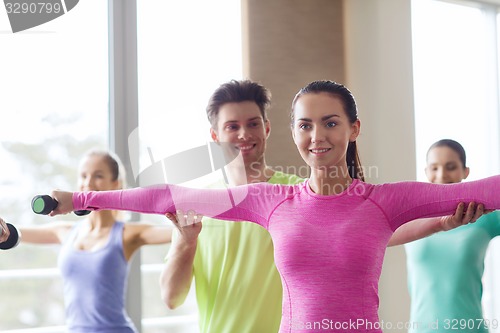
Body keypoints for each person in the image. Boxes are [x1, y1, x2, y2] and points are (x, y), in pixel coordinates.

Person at [47, 80, 500, 333]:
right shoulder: (270, 200)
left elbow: (486, 189)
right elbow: (167, 195)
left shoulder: (385, 202)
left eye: (330, 123)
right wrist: (82, 200)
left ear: (354, 128)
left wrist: (441, 222)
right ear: (291, 131)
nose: (316, 136)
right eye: (305, 125)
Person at [160, 79, 303, 333]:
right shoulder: (194, 205)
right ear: (215, 136)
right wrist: (187, 242)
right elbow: (172, 298)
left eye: (253, 124)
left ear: (266, 128)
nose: (244, 134)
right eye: (232, 127)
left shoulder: (299, 194)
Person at [17, 150, 172, 333]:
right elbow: (16, 234)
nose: (88, 183)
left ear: (116, 184)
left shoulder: (127, 233)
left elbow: (177, 231)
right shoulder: (65, 232)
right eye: (83, 176)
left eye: (98, 176)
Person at [390, 139, 500, 333]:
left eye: (451, 167)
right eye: (434, 168)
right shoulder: (410, 217)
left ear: (465, 171)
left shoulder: (483, 216)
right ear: (426, 172)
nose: (442, 175)